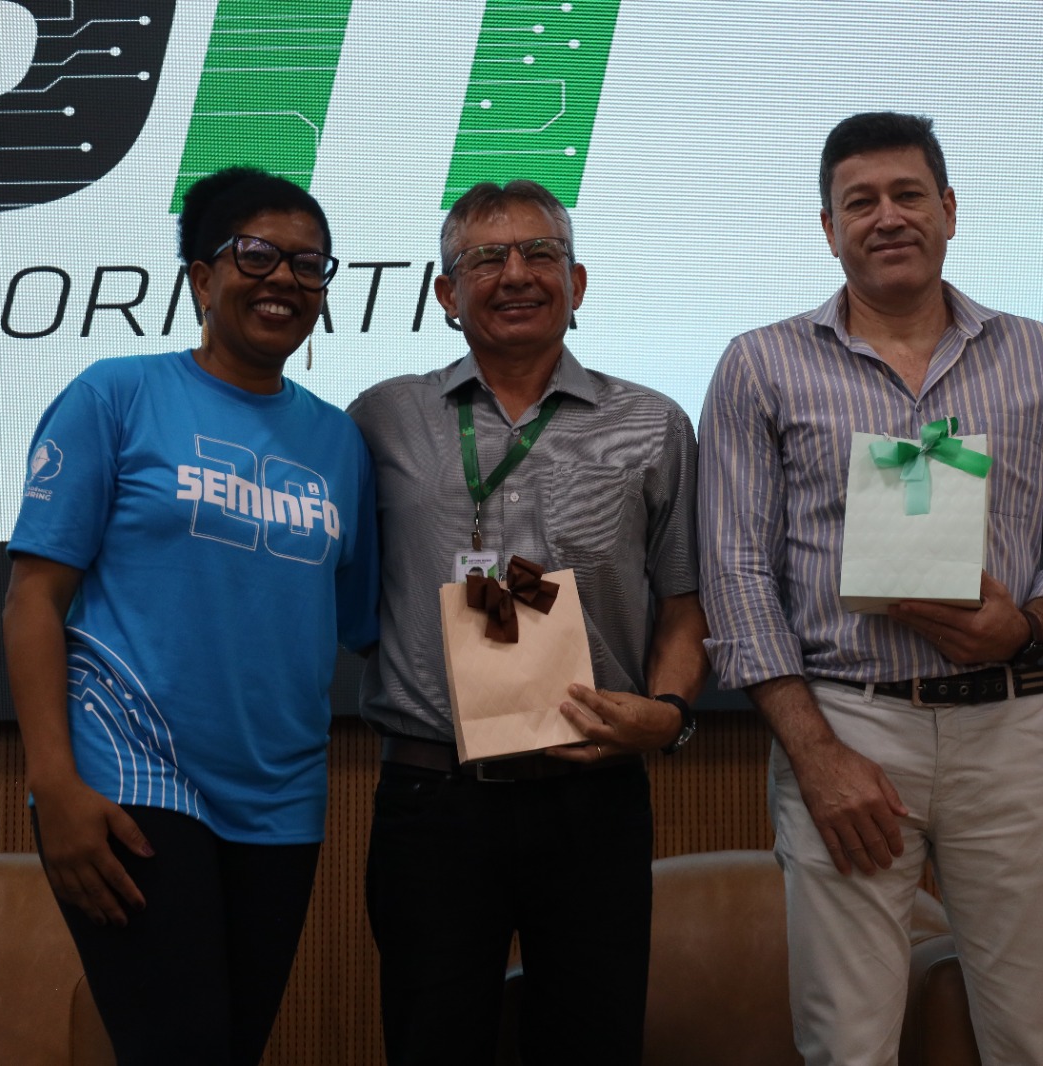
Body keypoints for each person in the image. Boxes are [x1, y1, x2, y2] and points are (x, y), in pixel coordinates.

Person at [698, 112, 1043, 1065]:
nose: (887, 217)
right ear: (829, 228)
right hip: (849, 725)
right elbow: (734, 572)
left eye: (907, 195)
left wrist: (1029, 624)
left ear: (949, 210)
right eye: (860, 202)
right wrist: (815, 755)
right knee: (847, 1044)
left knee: (1034, 1039)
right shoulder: (759, 365)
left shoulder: (1038, 354)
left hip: (1013, 726)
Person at [1, 166, 378, 1065]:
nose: (285, 279)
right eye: (257, 255)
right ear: (201, 277)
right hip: (130, 775)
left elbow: (362, 621)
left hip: (283, 795)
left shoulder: (340, 442)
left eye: (309, 265)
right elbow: (31, 600)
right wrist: (54, 785)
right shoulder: (114, 396)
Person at [347, 179, 707, 1066]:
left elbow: (685, 602)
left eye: (540, 253)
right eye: (485, 259)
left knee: (593, 1045)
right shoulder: (380, 419)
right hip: (433, 800)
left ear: (576, 283)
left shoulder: (653, 426)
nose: (515, 274)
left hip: (593, 796)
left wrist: (669, 714)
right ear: (445, 293)